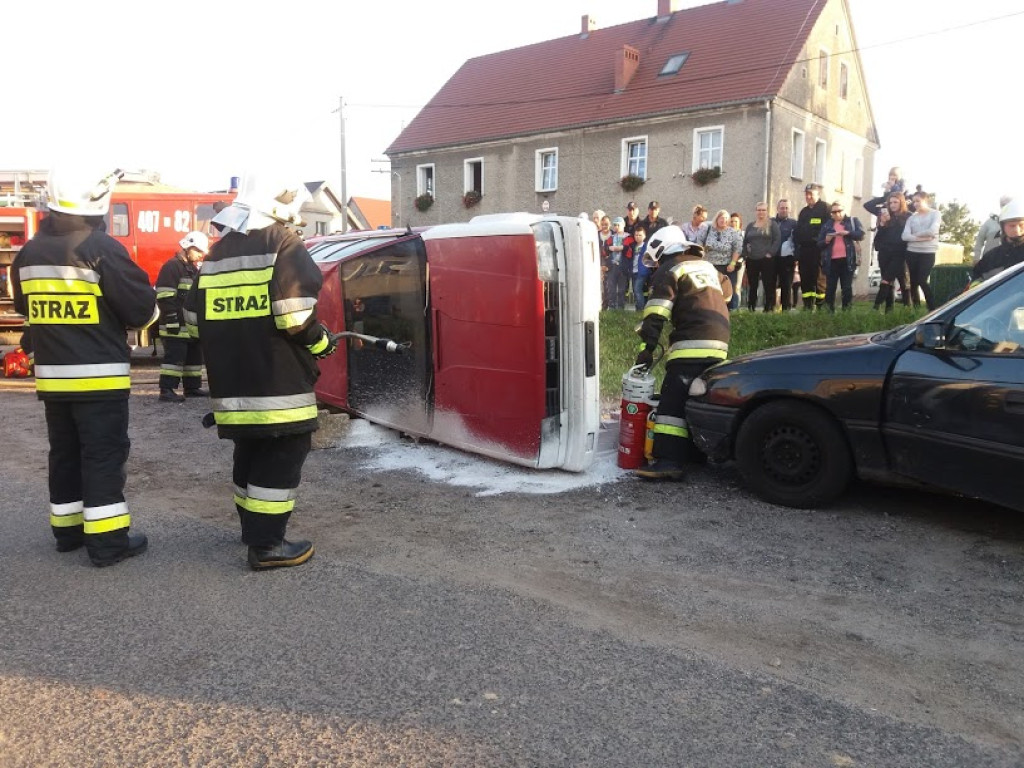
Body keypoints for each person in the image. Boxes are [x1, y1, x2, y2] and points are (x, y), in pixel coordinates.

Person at [184, 173, 336, 570]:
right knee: (283, 451)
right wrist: (322, 342)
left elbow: (194, 320)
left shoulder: (216, 254)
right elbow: (296, 318)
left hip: (232, 384)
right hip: (277, 381)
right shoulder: (282, 244)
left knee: (249, 448)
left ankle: (251, 527)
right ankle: (267, 545)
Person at [10, 164, 156, 567]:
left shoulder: (29, 253)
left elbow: (27, 310)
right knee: (102, 456)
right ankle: (108, 543)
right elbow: (141, 311)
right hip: (99, 381)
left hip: (53, 381)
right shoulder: (101, 248)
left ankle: (68, 532)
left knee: (65, 454)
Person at [633, 225, 731, 480]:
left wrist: (646, 350)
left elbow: (656, 314)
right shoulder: (708, 267)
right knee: (697, 399)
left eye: (656, 261)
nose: (656, 268)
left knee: (672, 402)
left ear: (662, 250)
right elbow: (728, 293)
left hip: (692, 341)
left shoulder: (670, 268)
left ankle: (669, 462)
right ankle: (696, 455)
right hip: (720, 342)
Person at [155, 231, 209, 402]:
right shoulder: (172, 267)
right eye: (198, 251)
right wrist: (171, 319)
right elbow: (164, 295)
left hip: (190, 325)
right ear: (187, 247)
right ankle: (167, 390)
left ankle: (192, 387)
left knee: (194, 357)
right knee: (174, 358)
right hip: (175, 323)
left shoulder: (192, 269)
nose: (201, 255)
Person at [817, 201, 864, 312]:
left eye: (839, 211)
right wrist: (826, 240)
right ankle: (829, 312)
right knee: (830, 288)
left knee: (846, 287)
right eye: (834, 212)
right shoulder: (827, 225)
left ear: (844, 211)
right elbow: (819, 244)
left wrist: (848, 233)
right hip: (831, 261)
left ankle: (846, 312)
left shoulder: (852, 221)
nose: (837, 214)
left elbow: (861, 234)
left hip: (847, 260)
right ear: (831, 214)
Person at [869, 194, 911, 312]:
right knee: (889, 282)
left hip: (900, 253)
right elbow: (878, 238)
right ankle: (889, 310)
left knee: (896, 281)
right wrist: (882, 224)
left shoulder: (908, 216)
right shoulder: (886, 216)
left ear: (901, 202)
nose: (892, 205)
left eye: (895, 202)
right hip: (884, 253)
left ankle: (876, 308)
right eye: (890, 202)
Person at [901, 190, 940, 310]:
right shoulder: (911, 218)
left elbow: (932, 231)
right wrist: (922, 238)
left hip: (928, 253)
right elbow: (904, 236)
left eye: (918, 201)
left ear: (925, 200)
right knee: (913, 282)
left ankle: (932, 309)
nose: (915, 204)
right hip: (912, 252)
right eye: (913, 202)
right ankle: (916, 310)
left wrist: (914, 236)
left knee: (922, 280)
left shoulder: (935, 214)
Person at [795, 183, 830, 310]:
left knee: (819, 279)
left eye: (811, 194)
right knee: (805, 278)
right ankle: (807, 305)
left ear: (818, 194)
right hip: (805, 251)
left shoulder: (825, 208)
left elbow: (829, 229)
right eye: (806, 194)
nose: (808, 197)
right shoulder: (804, 212)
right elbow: (798, 231)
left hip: (819, 250)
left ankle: (820, 305)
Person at [742, 203, 781, 312]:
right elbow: (745, 242)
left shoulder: (772, 225)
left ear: (767, 211)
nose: (761, 212)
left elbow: (777, 240)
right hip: (752, 259)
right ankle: (751, 307)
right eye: (759, 210)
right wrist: (745, 255)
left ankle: (768, 307)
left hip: (767, 259)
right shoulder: (750, 225)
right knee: (752, 285)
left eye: (763, 210)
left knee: (768, 284)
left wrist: (770, 253)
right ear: (756, 211)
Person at [972, 199, 1024, 282]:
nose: (1017, 230)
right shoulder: (989, 259)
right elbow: (976, 284)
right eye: (1012, 226)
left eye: (1021, 225)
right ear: (1003, 227)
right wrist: (976, 257)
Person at [703, 209, 744, 311]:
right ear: (717, 219)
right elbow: (700, 243)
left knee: (730, 290)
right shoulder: (709, 230)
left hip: (727, 266)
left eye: (726, 218)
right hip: (710, 266)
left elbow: (738, 249)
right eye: (721, 218)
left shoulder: (733, 233)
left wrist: (733, 263)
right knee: (711, 290)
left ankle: (732, 311)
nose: (723, 220)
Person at [772, 199, 798, 311]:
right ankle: (770, 307)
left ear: (790, 209)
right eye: (782, 208)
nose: (784, 210)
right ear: (777, 209)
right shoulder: (770, 222)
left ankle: (786, 309)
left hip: (787, 259)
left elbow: (797, 241)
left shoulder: (794, 224)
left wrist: (797, 257)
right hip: (772, 258)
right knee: (771, 284)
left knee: (786, 285)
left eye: (787, 208)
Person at [603, 216, 634, 309]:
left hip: (623, 266)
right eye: (615, 225)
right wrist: (609, 249)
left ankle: (621, 306)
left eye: (618, 225)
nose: (616, 227)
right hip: (612, 266)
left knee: (622, 288)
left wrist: (620, 248)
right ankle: (611, 306)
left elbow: (630, 249)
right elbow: (605, 250)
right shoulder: (611, 238)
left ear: (623, 225)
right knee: (611, 287)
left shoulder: (628, 237)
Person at [973, 195, 1013, 264]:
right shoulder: (990, 222)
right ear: (1001, 205)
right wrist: (976, 258)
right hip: (990, 262)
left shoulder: (1018, 224)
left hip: (1011, 262)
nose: (1006, 206)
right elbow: (979, 241)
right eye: (1003, 204)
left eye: (1009, 204)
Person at [631, 224, 652, 311]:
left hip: (642, 272)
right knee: (635, 290)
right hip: (633, 271)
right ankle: (638, 307)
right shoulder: (633, 246)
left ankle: (641, 309)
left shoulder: (646, 246)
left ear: (644, 236)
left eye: (640, 235)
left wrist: (647, 270)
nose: (638, 237)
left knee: (637, 289)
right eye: (636, 235)